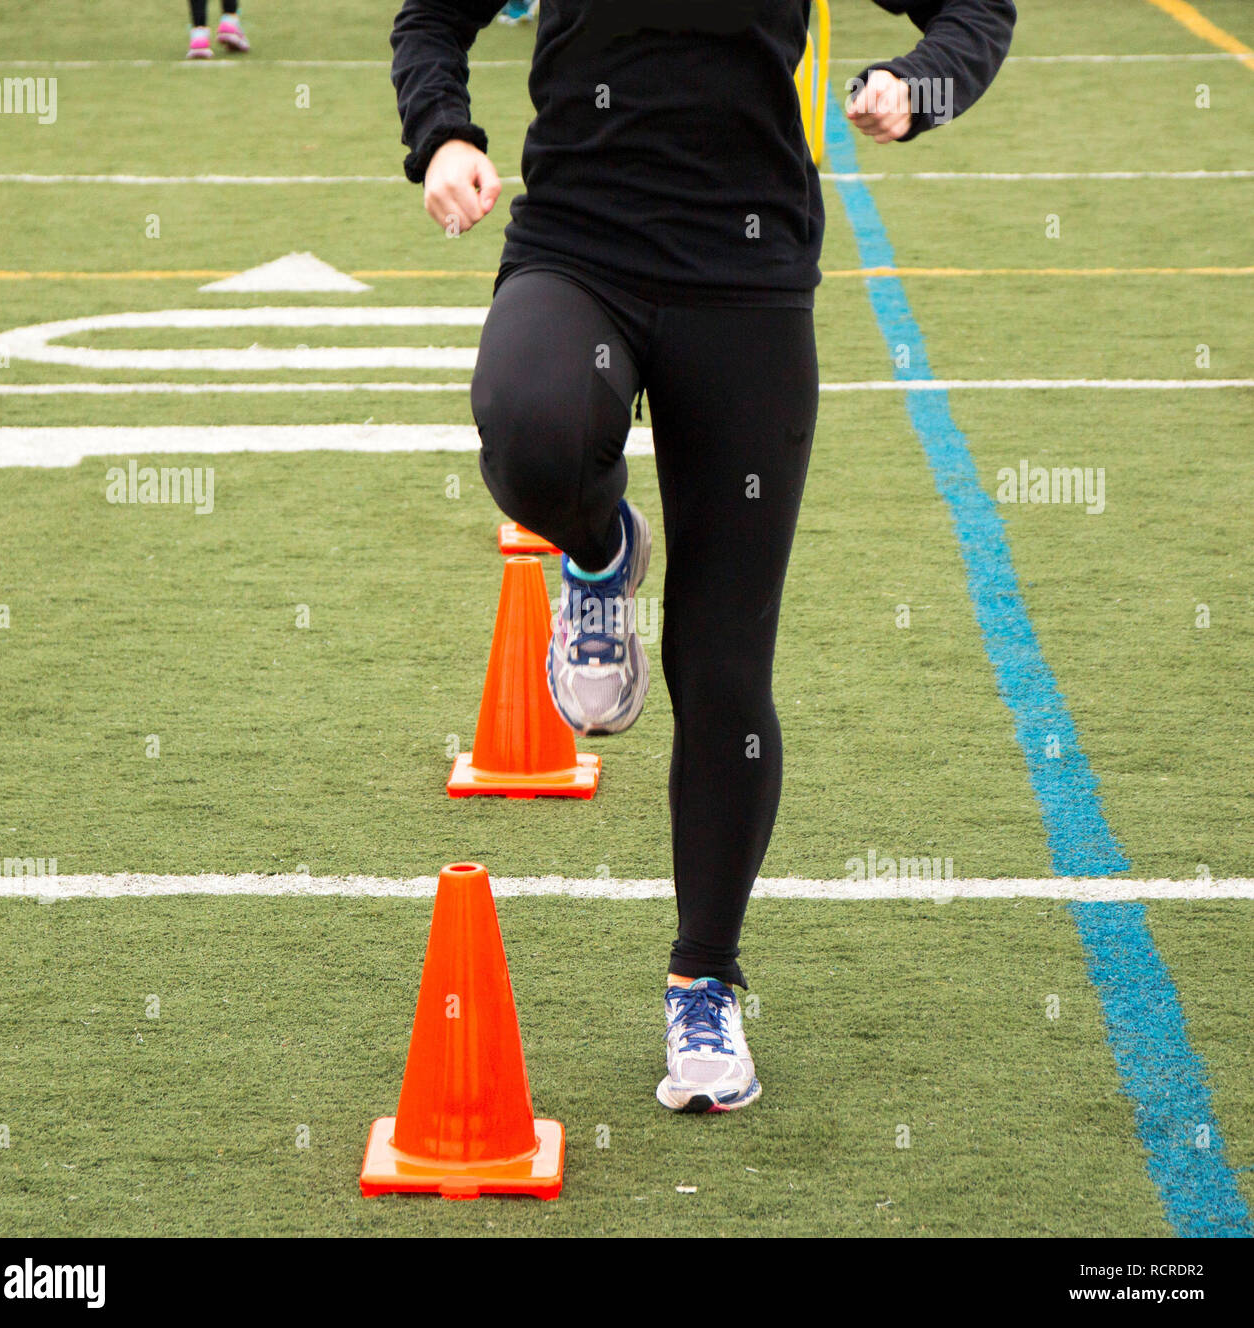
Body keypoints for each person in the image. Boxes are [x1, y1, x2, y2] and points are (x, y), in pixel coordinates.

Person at [390, 0, 1015, 1112]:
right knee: (528, 424)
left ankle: (703, 977)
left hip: (749, 279)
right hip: (579, 246)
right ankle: (596, 552)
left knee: (722, 665)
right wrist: (443, 133)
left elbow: (977, 8)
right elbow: (433, 14)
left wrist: (918, 86)